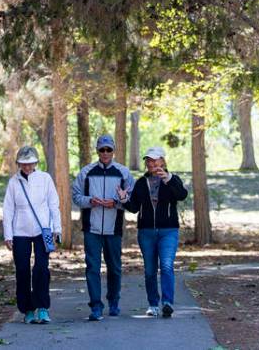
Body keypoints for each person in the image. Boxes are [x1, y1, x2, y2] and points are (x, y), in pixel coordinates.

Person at [117, 146, 188, 318]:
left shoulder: (173, 179)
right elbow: (134, 208)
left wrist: (169, 179)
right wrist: (124, 198)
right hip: (146, 232)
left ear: (162, 161)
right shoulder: (141, 183)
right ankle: (153, 304)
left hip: (168, 231)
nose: (151, 163)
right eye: (148, 160)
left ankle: (167, 303)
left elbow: (182, 195)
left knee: (166, 265)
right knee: (149, 270)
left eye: (155, 160)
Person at [71, 134, 134, 321]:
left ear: (114, 151)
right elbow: (76, 196)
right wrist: (91, 201)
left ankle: (114, 301)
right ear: (97, 151)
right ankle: (96, 306)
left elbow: (131, 201)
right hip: (92, 228)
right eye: (102, 150)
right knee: (92, 267)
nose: (105, 153)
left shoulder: (123, 173)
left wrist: (115, 203)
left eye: (109, 149)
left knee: (114, 268)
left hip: (113, 229)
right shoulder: (86, 172)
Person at [3, 146, 62, 325]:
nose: (27, 167)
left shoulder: (45, 179)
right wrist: (8, 235)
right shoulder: (14, 182)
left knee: (41, 269)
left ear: (36, 162)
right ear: (19, 164)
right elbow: (8, 209)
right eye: (23, 164)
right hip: (20, 232)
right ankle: (27, 309)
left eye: (30, 163)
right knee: (22, 271)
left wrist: (56, 229)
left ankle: (42, 308)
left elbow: (54, 204)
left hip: (42, 230)